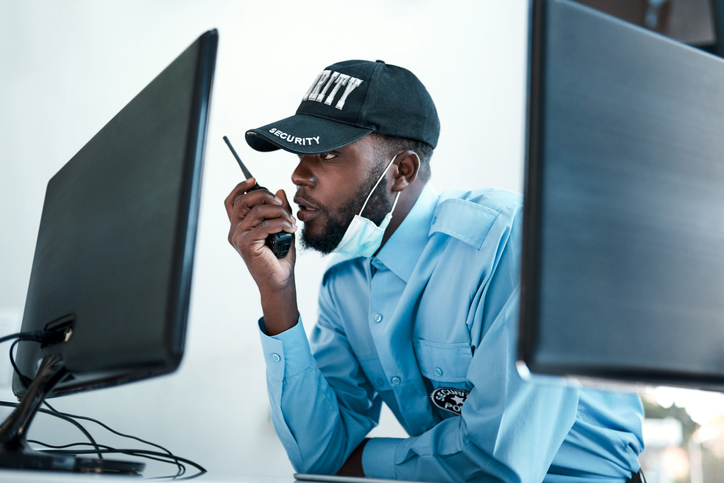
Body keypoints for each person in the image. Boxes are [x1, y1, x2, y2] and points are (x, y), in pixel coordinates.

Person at [225, 59, 645, 482]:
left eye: (328, 154)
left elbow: (497, 469)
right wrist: (277, 293)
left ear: (401, 172)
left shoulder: (511, 244)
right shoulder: (346, 284)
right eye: (299, 155)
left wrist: (363, 464)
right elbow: (318, 456)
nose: (298, 174)